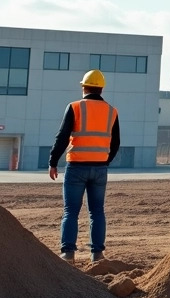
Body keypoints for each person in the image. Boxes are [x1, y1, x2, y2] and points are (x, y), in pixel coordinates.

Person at [48, 69, 120, 263]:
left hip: (77, 166)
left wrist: (53, 162)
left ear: (84, 87)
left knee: (71, 211)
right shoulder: (112, 111)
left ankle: (68, 253)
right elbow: (116, 143)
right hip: (99, 169)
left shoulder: (75, 107)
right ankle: (97, 254)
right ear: (101, 89)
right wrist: (105, 161)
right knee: (97, 211)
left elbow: (62, 137)